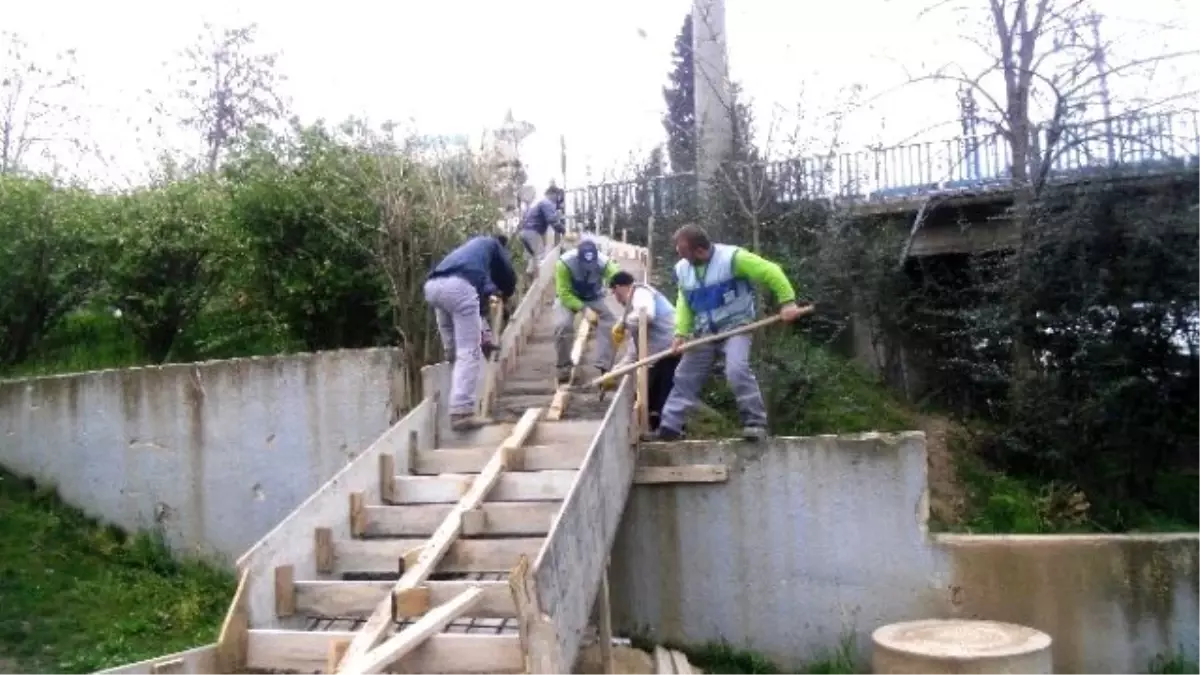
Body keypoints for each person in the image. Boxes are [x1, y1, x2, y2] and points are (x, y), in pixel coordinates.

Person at [652, 224, 807, 442]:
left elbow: (771, 271)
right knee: (685, 375)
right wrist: (681, 333)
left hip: (737, 326)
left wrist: (787, 301)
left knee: (736, 369)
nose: (681, 258)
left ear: (699, 250)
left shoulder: (733, 259)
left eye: (684, 253)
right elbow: (685, 303)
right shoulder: (683, 270)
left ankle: (755, 423)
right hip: (705, 331)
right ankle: (670, 426)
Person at [424, 234, 517, 431]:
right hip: (458, 289)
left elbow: (476, 306)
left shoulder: (468, 254)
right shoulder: (493, 246)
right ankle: (462, 412)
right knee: (469, 351)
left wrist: (484, 337)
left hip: (433, 287)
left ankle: (455, 402)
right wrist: (507, 293)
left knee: (456, 352)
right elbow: (507, 275)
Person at [608, 271, 679, 432]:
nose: (616, 297)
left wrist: (622, 323)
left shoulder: (640, 292)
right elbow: (634, 352)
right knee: (648, 393)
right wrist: (614, 373)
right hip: (659, 354)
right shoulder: (632, 310)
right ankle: (655, 428)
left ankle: (669, 430)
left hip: (671, 348)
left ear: (619, 287)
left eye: (614, 292)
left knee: (664, 391)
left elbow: (647, 314)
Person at [553, 239, 620, 383]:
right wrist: (584, 309)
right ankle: (563, 366)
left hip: (594, 297)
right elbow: (563, 293)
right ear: (578, 257)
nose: (589, 268)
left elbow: (619, 280)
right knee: (562, 326)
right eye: (585, 265)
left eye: (592, 264)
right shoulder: (564, 263)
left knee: (611, 323)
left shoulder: (605, 263)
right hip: (569, 297)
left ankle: (605, 367)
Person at [518, 186, 566, 278]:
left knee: (532, 259)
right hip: (532, 232)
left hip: (524, 233)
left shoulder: (539, 203)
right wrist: (564, 231)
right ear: (553, 194)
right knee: (541, 257)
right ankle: (540, 283)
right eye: (558, 197)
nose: (558, 200)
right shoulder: (547, 203)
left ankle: (529, 283)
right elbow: (553, 221)